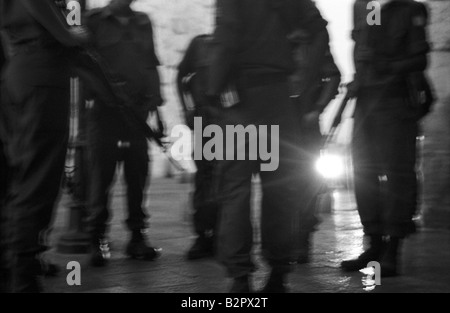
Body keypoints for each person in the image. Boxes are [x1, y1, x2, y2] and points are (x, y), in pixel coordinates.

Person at [208, 0, 329, 292]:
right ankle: (278, 272)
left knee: (235, 191)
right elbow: (319, 32)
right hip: (279, 99)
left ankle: (240, 278)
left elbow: (226, 40)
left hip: (240, 100)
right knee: (279, 191)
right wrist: (304, 84)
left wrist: (211, 92)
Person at [0, 0, 85, 292]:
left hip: (21, 71)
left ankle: (16, 266)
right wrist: (72, 34)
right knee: (37, 182)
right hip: (42, 75)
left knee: (20, 177)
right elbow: (65, 34)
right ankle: (22, 277)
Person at [341, 0, 431, 277]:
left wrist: (386, 66)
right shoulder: (363, 6)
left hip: (394, 103)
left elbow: (420, 59)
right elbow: (361, 48)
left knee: (397, 177)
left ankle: (393, 250)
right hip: (366, 106)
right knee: (364, 176)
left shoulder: (409, 10)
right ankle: (375, 245)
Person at [84, 0, 164, 267]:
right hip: (105, 114)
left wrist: (156, 109)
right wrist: (105, 96)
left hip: (138, 113)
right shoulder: (94, 20)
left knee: (137, 176)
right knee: (101, 177)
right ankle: (96, 238)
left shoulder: (143, 21)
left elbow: (151, 63)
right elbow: (84, 66)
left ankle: (137, 238)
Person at [288, 30, 341, 264]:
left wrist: (317, 108)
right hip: (276, 119)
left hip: (305, 122)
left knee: (306, 181)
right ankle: (284, 240)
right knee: (277, 184)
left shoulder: (314, 40)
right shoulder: (270, 34)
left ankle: (301, 239)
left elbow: (333, 77)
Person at [177, 34, 221, 260]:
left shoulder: (244, 41)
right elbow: (181, 75)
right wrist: (187, 108)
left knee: (229, 181)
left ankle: (224, 235)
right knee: (204, 179)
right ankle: (203, 235)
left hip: (233, 122)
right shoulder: (200, 43)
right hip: (205, 123)